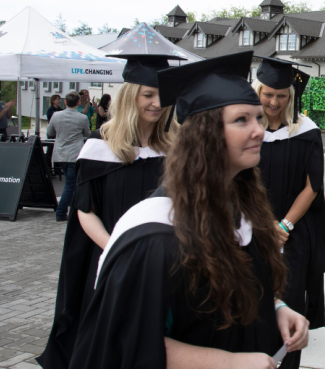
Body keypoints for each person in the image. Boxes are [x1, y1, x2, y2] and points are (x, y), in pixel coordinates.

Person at [68, 50, 310, 369]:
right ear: (205, 134)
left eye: (257, 118)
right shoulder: (155, 239)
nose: (259, 131)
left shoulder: (242, 214)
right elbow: (127, 341)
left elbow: (236, 287)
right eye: (241, 120)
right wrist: (229, 363)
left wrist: (276, 307)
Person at [38, 55, 175, 369]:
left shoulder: (173, 148)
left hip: (160, 263)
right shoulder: (99, 147)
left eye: (162, 95)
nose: (157, 103)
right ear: (130, 97)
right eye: (148, 95)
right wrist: (117, 248)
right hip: (108, 258)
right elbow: (85, 210)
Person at [254, 57, 325, 369]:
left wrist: (285, 224)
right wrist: (263, 223)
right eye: (268, 94)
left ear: (291, 96)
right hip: (250, 226)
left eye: (282, 95)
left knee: (289, 299)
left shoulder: (305, 131)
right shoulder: (245, 129)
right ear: (257, 91)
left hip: (294, 231)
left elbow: (312, 185)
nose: (274, 101)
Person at [46, 91, 91, 222]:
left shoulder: (56, 115)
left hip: (60, 153)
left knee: (70, 182)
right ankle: (61, 212)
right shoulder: (82, 118)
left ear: (65, 102)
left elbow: (50, 132)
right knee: (70, 184)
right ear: (78, 103)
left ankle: (70, 206)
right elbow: (87, 134)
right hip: (74, 153)